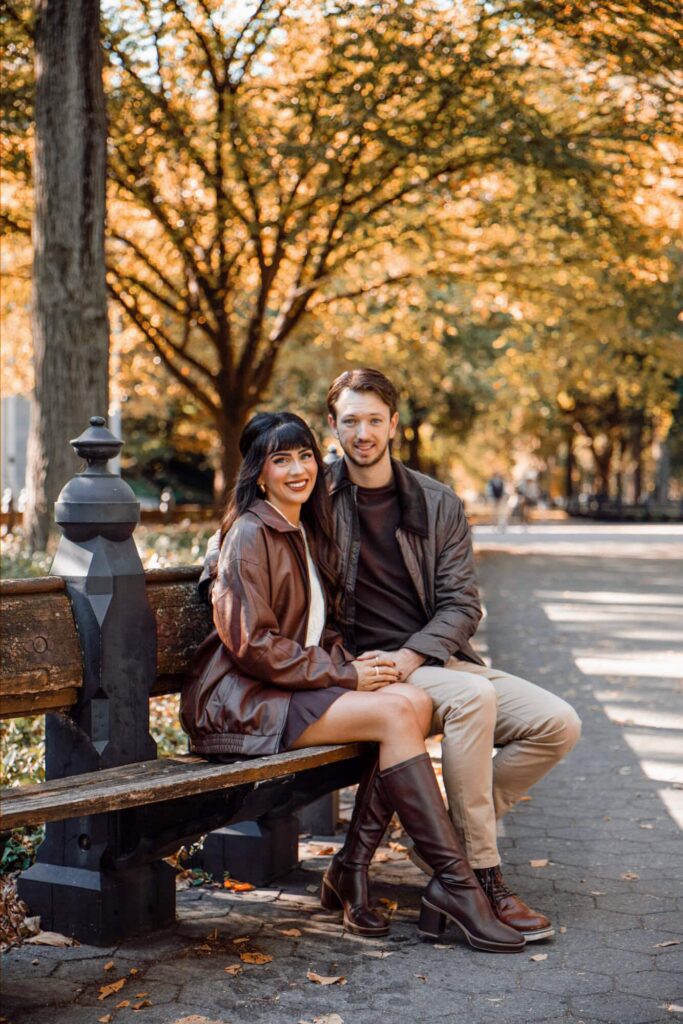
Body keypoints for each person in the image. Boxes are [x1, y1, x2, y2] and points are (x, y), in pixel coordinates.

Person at [182, 411, 524, 954]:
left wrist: (362, 668)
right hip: (242, 703)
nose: (298, 469)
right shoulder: (251, 531)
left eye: (304, 456)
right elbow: (252, 643)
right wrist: (347, 675)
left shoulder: (302, 527)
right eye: (281, 460)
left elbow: (322, 627)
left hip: (286, 691)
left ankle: (351, 867)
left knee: (409, 701)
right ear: (259, 473)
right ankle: (459, 887)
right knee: (396, 713)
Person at [322, 369, 581, 943]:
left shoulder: (436, 502)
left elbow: (463, 603)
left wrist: (416, 655)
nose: (362, 433)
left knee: (558, 723)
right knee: (473, 696)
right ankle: (477, 878)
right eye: (350, 421)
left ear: (393, 424)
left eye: (372, 420)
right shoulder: (316, 493)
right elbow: (247, 527)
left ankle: (437, 841)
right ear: (333, 427)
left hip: (431, 662)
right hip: (360, 675)